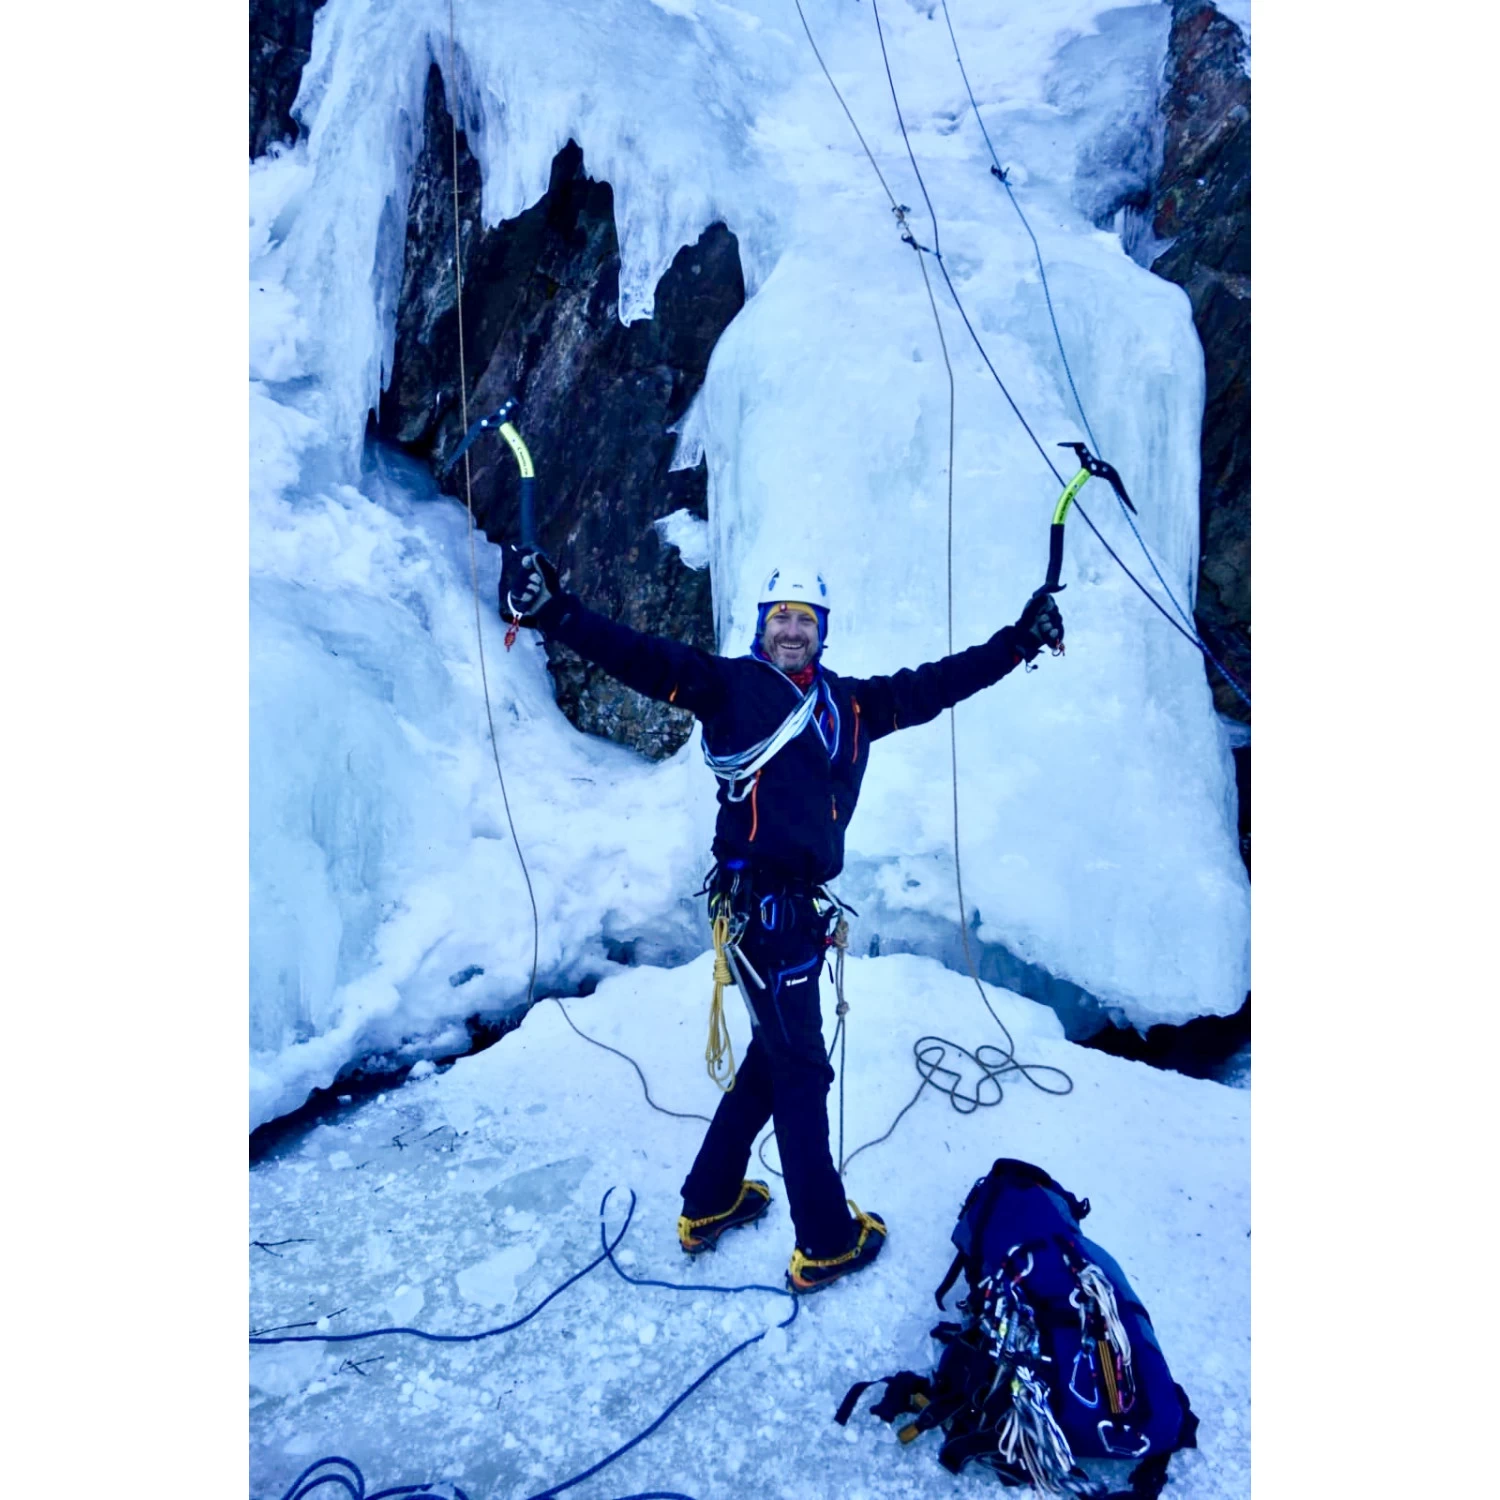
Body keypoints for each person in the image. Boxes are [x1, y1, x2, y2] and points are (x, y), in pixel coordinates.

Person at [500, 548, 1063, 1292]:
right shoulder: (729, 687)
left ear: (823, 631)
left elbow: (935, 685)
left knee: (775, 1060)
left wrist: (1016, 643)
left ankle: (709, 1201)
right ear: (762, 626)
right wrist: (556, 612)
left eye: (805, 620)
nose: (792, 630)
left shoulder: (851, 706)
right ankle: (826, 1240)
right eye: (781, 618)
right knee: (801, 1071)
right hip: (763, 913)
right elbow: (640, 657)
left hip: (786, 914)